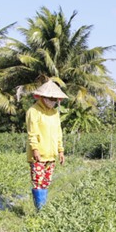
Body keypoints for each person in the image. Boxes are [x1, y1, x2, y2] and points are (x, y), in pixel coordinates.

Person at [26, 80, 68, 209]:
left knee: (46, 182)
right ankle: (40, 210)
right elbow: (32, 133)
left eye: (55, 99)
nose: (53, 101)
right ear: (43, 97)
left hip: (51, 154)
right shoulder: (33, 111)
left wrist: (60, 151)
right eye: (51, 98)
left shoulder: (55, 113)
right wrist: (35, 149)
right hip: (38, 154)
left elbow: (58, 133)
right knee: (38, 182)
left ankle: (43, 208)